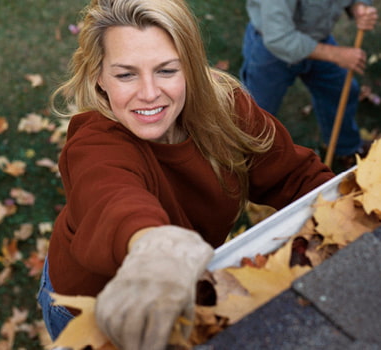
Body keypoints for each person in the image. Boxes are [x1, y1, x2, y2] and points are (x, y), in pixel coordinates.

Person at [37, 0, 334, 349]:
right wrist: (159, 248)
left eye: (166, 70)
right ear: (98, 76)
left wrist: (343, 212)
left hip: (183, 291)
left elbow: (295, 177)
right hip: (93, 308)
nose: (149, 93)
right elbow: (112, 199)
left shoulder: (226, 107)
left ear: (191, 68)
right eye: (125, 74)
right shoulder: (94, 144)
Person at [240, 0, 379, 168]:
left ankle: (346, 147)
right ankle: (246, 163)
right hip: (272, 50)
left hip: (317, 37)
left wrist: (358, 6)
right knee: (255, 114)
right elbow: (278, 38)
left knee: (341, 90)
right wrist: (336, 55)